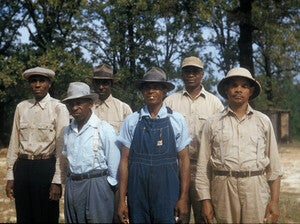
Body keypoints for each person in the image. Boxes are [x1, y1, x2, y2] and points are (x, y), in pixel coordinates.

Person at [195, 67, 282, 223]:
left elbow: (274, 167)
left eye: (244, 86)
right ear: (227, 90)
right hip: (223, 187)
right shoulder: (213, 122)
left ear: (251, 91)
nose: (238, 90)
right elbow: (203, 167)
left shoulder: (263, 122)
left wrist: (274, 202)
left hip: (255, 186)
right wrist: (205, 201)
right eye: (234, 85)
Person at [117, 67, 191, 224]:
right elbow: (124, 161)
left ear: (164, 91)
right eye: (147, 87)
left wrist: (183, 198)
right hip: (138, 191)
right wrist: (122, 200)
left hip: (167, 189)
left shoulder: (176, 120)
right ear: (142, 91)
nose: (151, 91)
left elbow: (184, 161)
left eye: (156, 87)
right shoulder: (132, 120)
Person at [5, 67, 69, 223]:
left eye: (42, 81)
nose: (38, 85)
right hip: (23, 167)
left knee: (46, 217)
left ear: (49, 84)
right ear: (29, 84)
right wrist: (10, 175)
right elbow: (15, 141)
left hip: (45, 168)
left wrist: (56, 180)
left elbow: (62, 147)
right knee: (24, 216)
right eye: (33, 81)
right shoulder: (22, 107)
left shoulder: (58, 108)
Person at [165, 56, 224, 223]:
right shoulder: (170, 102)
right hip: (176, 169)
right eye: (187, 71)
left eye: (195, 71)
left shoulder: (215, 103)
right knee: (178, 217)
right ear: (181, 74)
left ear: (202, 74)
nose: (191, 74)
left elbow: (219, 139)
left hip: (203, 170)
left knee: (204, 217)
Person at [62, 82, 120, 223]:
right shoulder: (67, 131)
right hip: (72, 185)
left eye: (79, 103)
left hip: (96, 185)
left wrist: (115, 200)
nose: (75, 107)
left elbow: (115, 170)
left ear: (90, 103)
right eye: (71, 104)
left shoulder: (104, 129)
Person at [91, 63, 132, 133]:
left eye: (105, 83)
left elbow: (130, 136)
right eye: (98, 83)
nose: (101, 87)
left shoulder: (123, 109)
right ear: (93, 84)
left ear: (111, 84)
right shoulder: (88, 107)